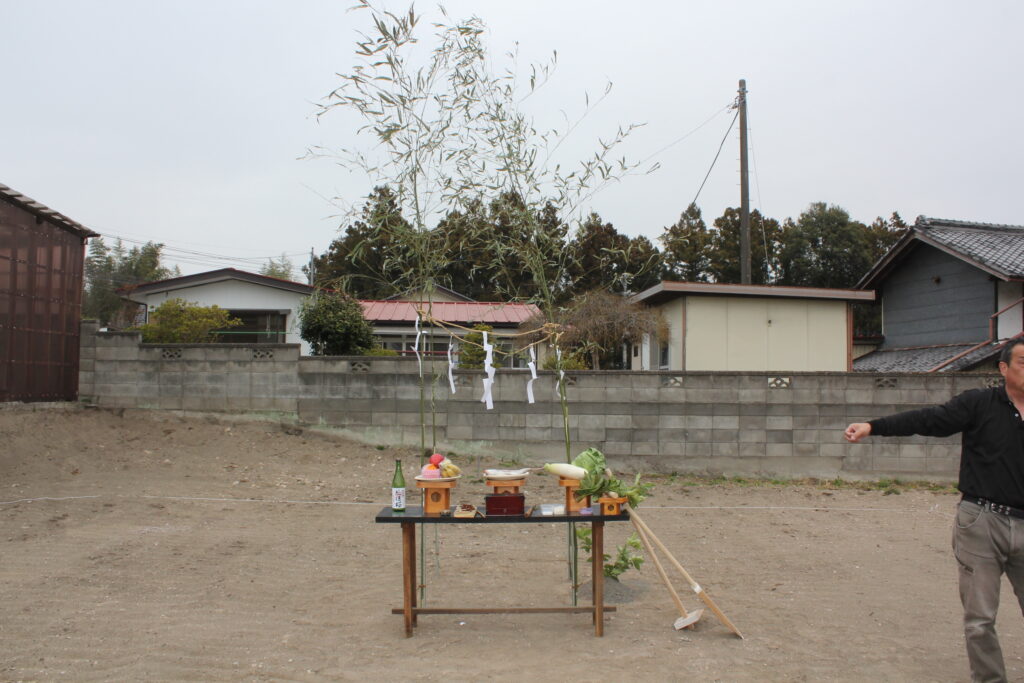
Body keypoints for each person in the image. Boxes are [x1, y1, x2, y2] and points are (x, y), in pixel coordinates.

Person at [845, 337, 1024, 683]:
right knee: (980, 618)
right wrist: (873, 426)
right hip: (982, 522)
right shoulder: (979, 404)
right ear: (1003, 368)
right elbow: (929, 419)